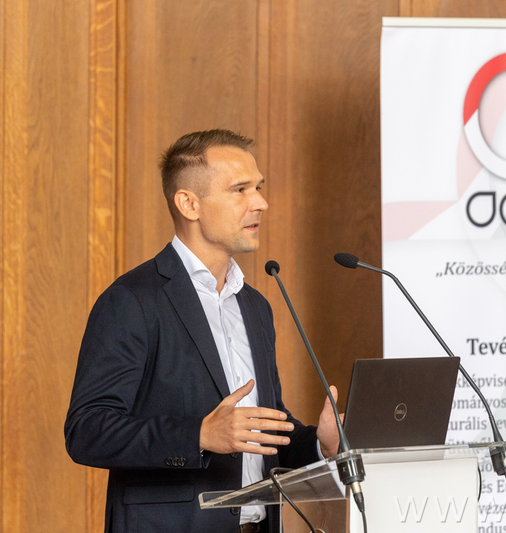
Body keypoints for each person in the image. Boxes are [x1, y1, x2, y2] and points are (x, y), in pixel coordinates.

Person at [65, 129, 340, 533]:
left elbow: (260, 434)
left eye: (259, 187)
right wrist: (198, 434)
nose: (260, 203)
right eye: (240, 190)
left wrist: (320, 444)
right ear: (189, 204)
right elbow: (87, 430)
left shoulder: (255, 306)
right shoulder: (132, 300)